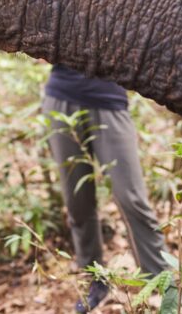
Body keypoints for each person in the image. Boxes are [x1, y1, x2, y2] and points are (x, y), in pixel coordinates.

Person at [43, 64, 169, 313]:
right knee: (78, 202)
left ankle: (168, 286)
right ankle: (94, 281)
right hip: (60, 98)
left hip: (110, 101)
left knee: (130, 198)